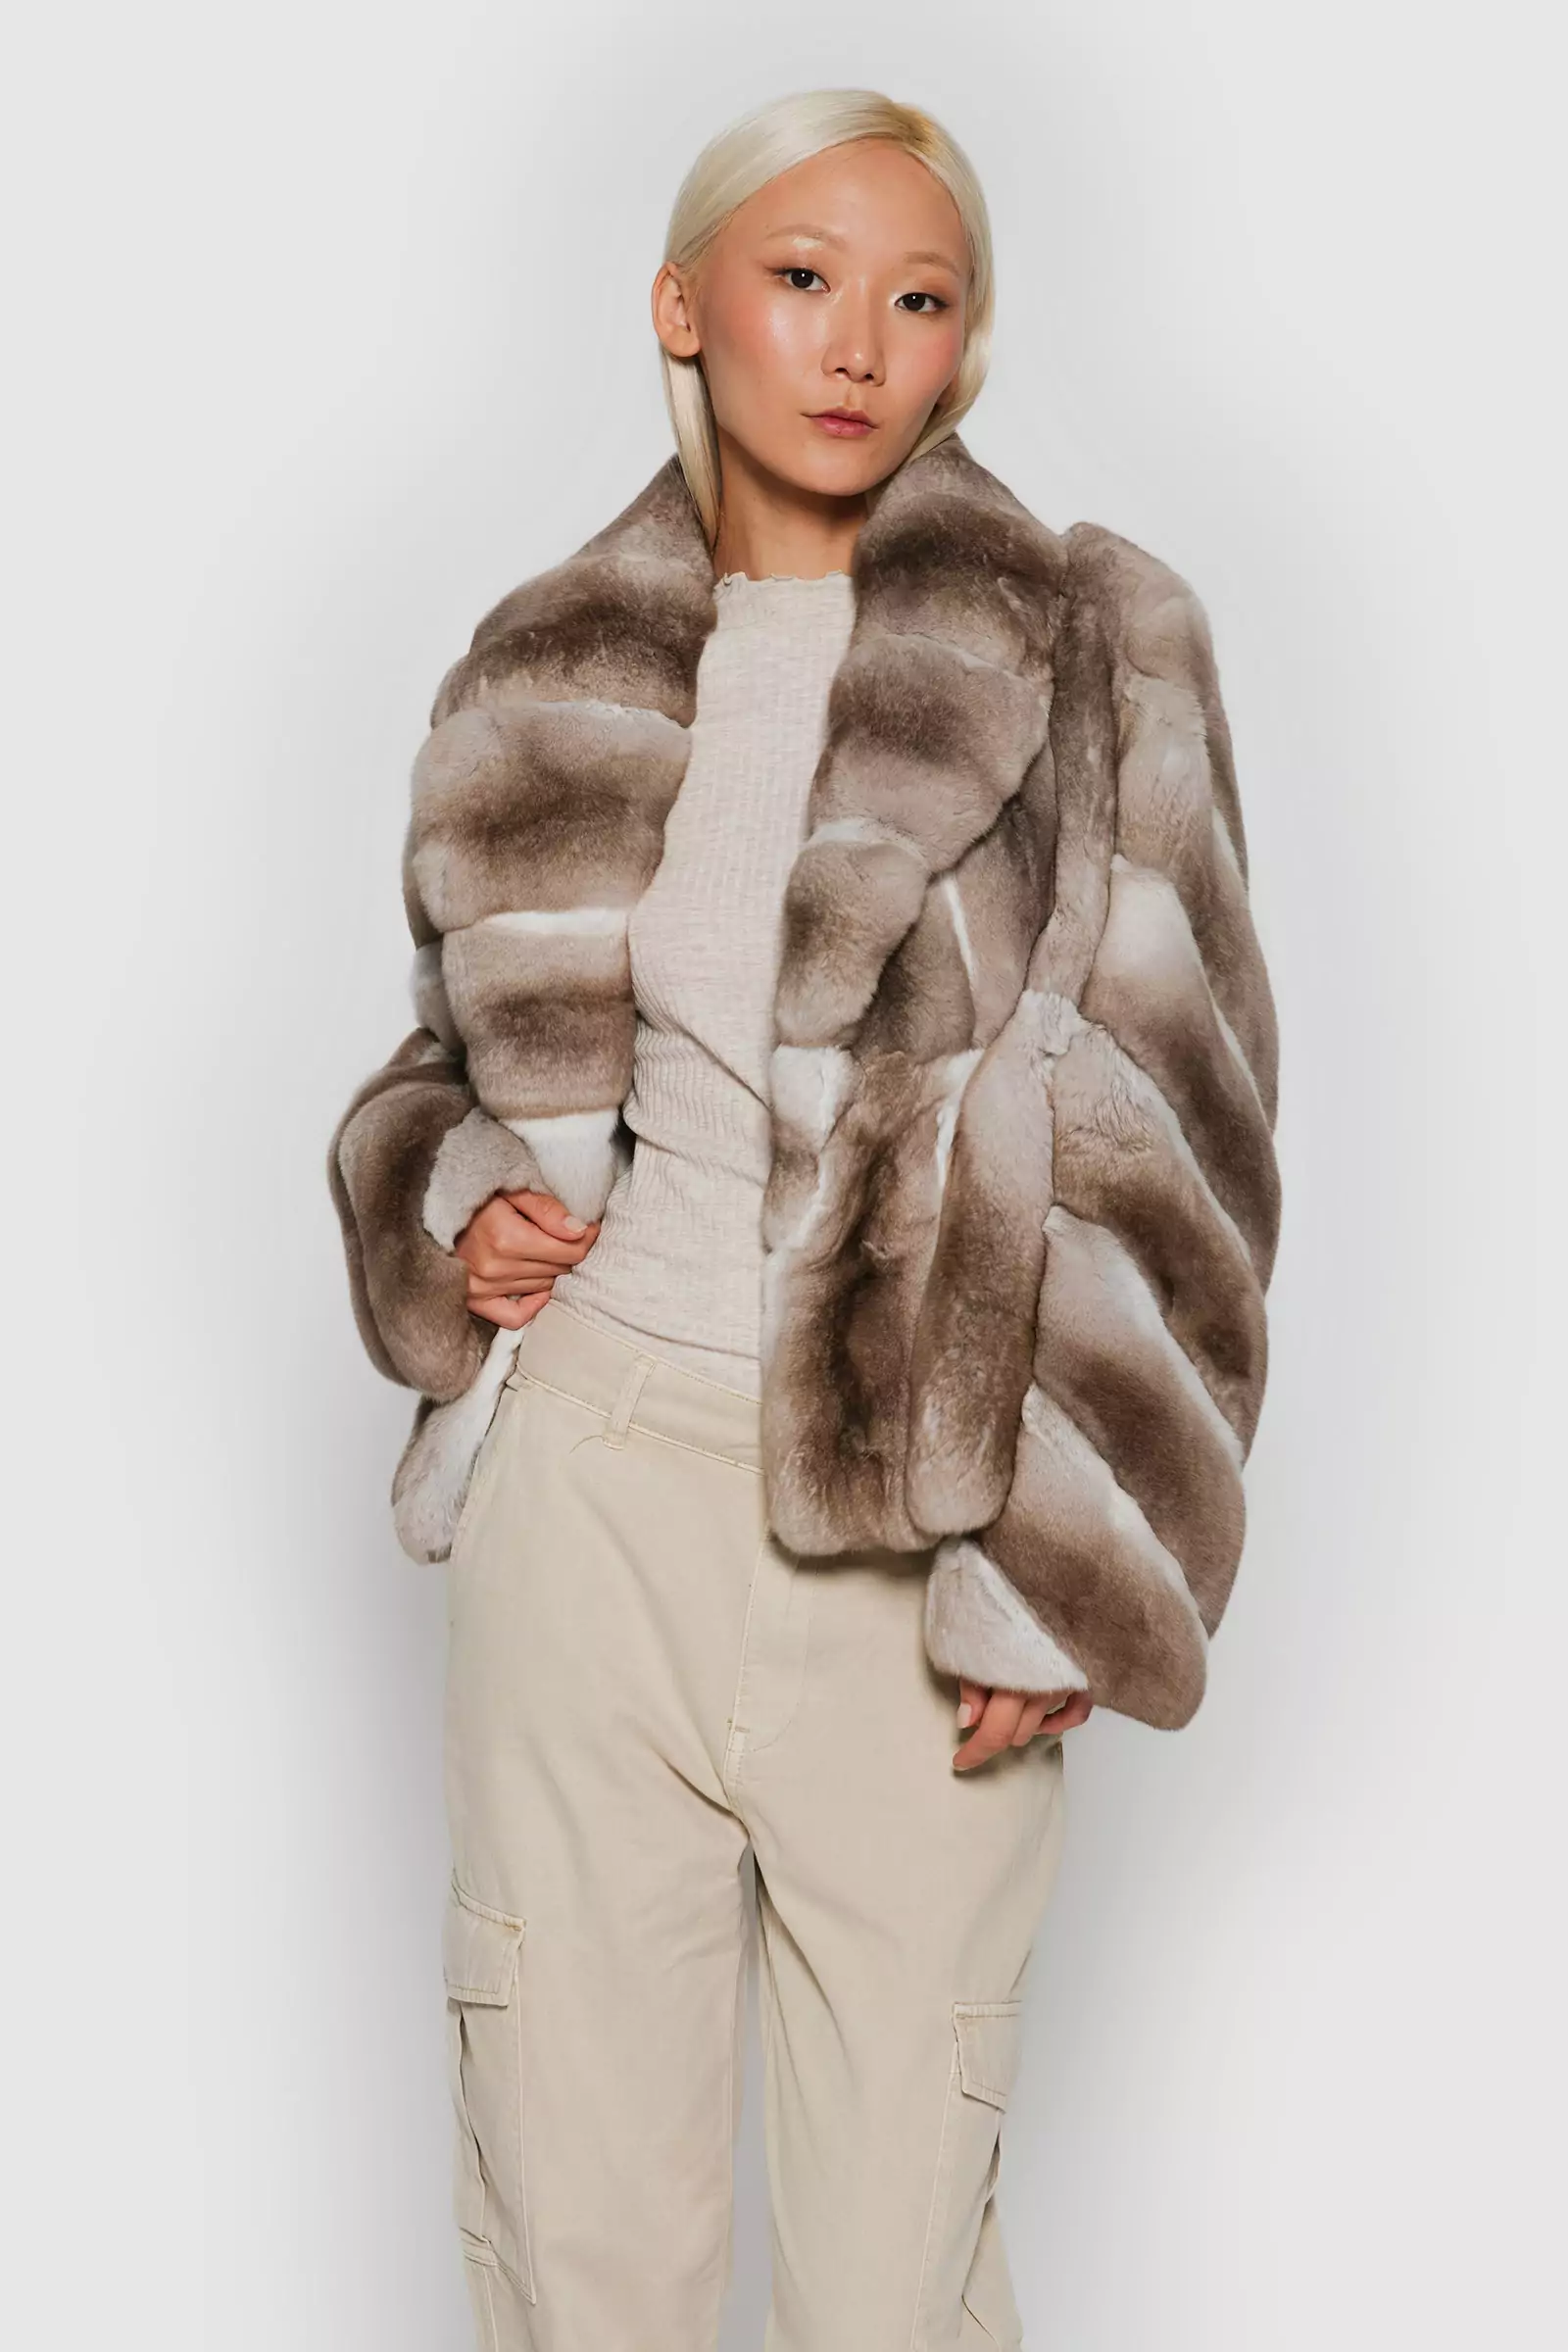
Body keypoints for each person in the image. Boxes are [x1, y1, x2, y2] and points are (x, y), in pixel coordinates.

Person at [326, 86, 1281, 2352]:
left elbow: (1180, 1125)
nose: (857, 342)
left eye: (918, 298)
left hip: (903, 1546)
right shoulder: (538, 671)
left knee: (888, 2271)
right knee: (578, 2239)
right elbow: (432, 1062)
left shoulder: (1087, 646)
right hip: (586, 1507)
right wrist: (452, 1206)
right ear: (685, 307)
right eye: (800, 278)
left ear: (962, 346)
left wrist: (1062, 1566)